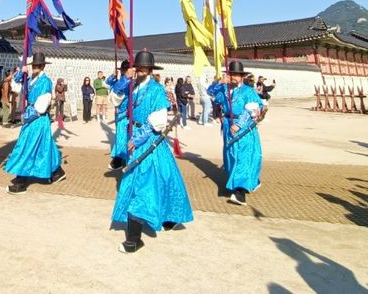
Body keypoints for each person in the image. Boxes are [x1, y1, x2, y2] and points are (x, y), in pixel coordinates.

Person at [111, 51, 193, 253]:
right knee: (154, 182)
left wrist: (138, 139)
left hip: (149, 143)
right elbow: (116, 101)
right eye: (137, 67)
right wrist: (124, 80)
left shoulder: (156, 90)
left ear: (149, 70)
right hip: (134, 140)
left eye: (143, 68)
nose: (140, 71)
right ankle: (167, 217)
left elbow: (158, 121)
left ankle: (134, 238)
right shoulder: (132, 87)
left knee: (145, 187)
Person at [4, 52, 66, 194]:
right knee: (44, 147)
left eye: (38, 65)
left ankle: (20, 182)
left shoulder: (45, 81)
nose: (35, 68)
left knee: (27, 147)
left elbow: (42, 106)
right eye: (34, 65)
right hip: (32, 117)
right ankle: (57, 172)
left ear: (43, 66)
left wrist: (27, 115)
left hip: (38, 119)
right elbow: (17, 88)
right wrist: (21, 73)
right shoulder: (30, 79)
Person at [207, 60, 265, 206]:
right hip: (227, 125)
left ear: (242, 76)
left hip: (244, 127)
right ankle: (249, 181)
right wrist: (220, 82)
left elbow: (252, 108)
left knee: (243, 157)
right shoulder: (224, 90)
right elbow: (210, 92)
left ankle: (240, 192)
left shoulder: (248, 91)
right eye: (231, 74)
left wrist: (239, 124)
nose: (234, 77)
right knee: (231, 156)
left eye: (237, 75)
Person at [107, 60, 134, 170]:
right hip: (119, 113)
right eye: (122, 70)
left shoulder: (129, 82)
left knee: (123, 136)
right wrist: (113, 76)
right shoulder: (121, 80)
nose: (123, 72)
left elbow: (118, 90)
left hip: (126, 114)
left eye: (125, 70)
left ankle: (121, 158)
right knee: (120, 135)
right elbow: (108, 84)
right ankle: (121, 158)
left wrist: (126, 78)